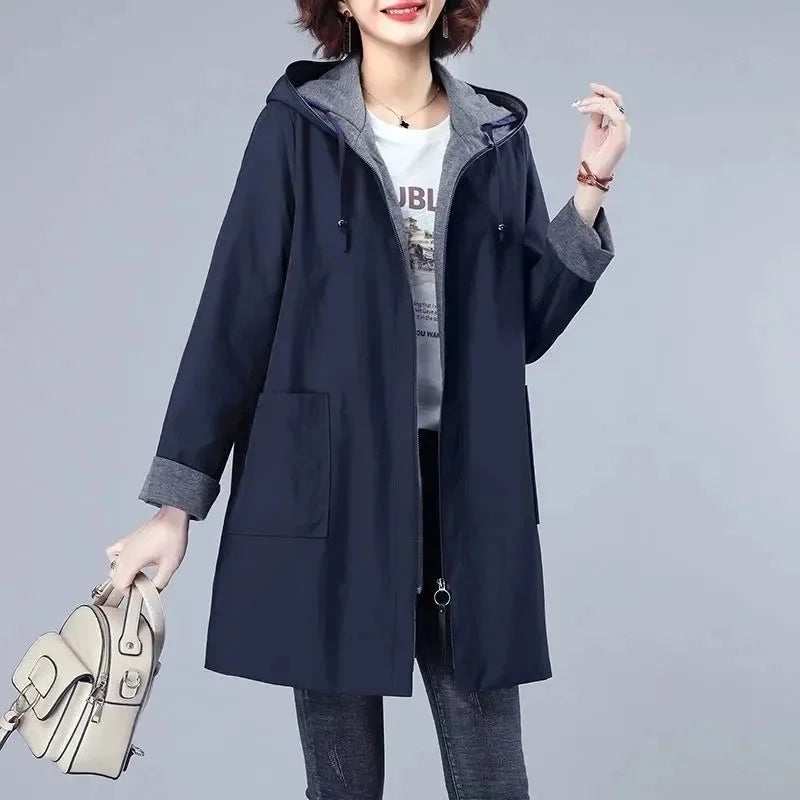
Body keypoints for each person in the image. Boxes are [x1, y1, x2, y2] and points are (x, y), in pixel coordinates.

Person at [105, 0, 630, 796]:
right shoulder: (297, 128)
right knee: (343, 786)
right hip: (334, 496)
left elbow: (523, 326)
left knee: (495, 781)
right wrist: (175, 507)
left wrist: (590, 185)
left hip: (465, 496)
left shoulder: (495, 136)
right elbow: (234, 316)